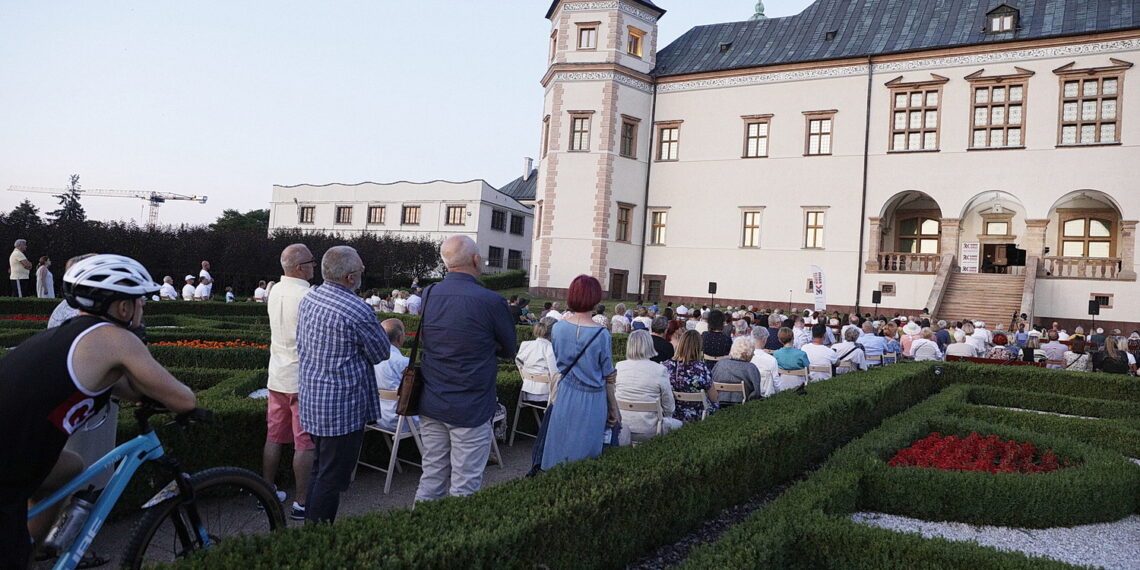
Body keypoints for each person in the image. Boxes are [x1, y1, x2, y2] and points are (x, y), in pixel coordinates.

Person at [0, 254, 197, 569]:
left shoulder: (74, 332)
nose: (144, 309)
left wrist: (143, 395)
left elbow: (121, 387)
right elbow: (184, 400)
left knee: (69, 468)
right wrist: (185, 404)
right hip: (8, 465)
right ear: (122, 307)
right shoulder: (116, 338)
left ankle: (31, 549)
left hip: (15, 451)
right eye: (140, 302)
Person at [417, 236, 517, 500]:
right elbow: (509, 349)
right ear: (475, 259)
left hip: (432, 400)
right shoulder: (491, 300)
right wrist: (484, 346)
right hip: (470, 405)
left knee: (431, 478)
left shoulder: (429, 293)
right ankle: (454, 541)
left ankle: (418, 535)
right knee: (465, 485)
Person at [297, 245, 390, 522]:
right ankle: (319, 537)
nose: (363, 272)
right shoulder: (356, 309)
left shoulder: (311, 296)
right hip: (342, 408)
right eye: (361, 269)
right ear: (350, 278)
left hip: (313, 400)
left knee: (319, 470)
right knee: (332, 479)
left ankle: (311, 528)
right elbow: (381, 353)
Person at [263, 243, 317, 521]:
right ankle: (301, 502)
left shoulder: (274, 291)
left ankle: (266, 490)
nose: (314, 265)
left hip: (277, 375)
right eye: (311, 261)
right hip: (301, 378)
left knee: (274, 436)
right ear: (299, 267)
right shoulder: (309, 295)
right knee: (303, 441)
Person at [540, 275, 615, 470]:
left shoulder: (558, 329)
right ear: (595, 298)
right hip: (592, 398)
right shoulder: (602, 334)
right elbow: (608, 376)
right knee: (586, 453)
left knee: (559, 447)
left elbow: (558, 360)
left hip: (565, 393)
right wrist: (613, 408)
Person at [614, 330, 681, 441]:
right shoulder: (660, 370)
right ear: (650, 345)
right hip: (650, 429)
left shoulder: (619, 366)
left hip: (622, 427)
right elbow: (669, 407)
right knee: (679, 424)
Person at [664, 329, 717, 423]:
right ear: (698, 347)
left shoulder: (666, 366)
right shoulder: (701, 368)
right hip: (697, 415)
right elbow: (714, 398)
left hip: (672, 413)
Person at [374, 318, 415, 429]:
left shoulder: (372, 358)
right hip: (403, 420)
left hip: (379, 417)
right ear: (400, 337)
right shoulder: (404, 363)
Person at [515, 317, 559, 403]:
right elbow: (555, 375)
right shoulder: (550, 349)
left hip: (527, 391)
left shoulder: (525, 345)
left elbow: (519, 364)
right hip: (546, 395)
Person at [710, 336, 762, 403]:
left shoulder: (720, 364)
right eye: (752, 352)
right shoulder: (751, 368)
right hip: (742, 406)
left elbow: (711, 383)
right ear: (746, 354)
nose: (753, 355)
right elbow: (756, 394)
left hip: (719, 403)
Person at [773, 327, 810, 392]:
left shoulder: (776, 354)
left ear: (780, 340)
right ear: (793, 337)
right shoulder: (802, 354)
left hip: (782, 384)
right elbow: (808, 371)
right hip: (799, 385)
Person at [749, 326, 779, 396]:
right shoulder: (771, 359)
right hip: (767, 394)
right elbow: (776, 382)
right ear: (764, 340)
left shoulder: (746, 358)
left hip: (750, 394)